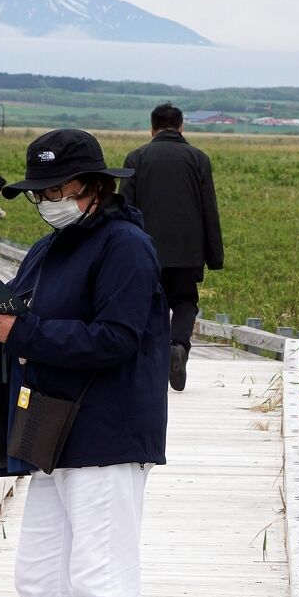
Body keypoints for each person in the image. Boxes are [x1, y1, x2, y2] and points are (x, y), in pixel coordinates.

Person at [0, 129, 169, 597]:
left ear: (95, 188)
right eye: (39, 191)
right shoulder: (55, 244)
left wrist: (23, 331)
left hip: (106, 431)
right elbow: (35, 318)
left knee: (102, 578)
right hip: (50, 427)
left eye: (58, 188)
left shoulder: (125, 246)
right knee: (41, 575)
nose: (48, 199)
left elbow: (115, 340)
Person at [119, 102, 224, 392]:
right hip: (187, 251)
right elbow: (209, 209)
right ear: (181, 127)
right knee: (185, 302)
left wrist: (118, 251)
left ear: (152, 129)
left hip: (144, 250)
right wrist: (214, 256)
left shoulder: (136, 158)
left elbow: (124, 208)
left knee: (147, 304)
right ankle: (178, 345)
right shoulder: (198, 158)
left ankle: (151, 364)